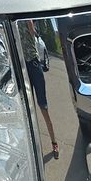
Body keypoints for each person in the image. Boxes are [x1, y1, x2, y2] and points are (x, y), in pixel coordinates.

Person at [18, 21, 60, 158]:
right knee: (28, 108)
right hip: (22, 67)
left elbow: (32, 30)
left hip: (33, 64)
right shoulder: (13, 24)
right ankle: (31, 146)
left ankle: (54, 142)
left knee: (42, 106)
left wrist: (32, 26)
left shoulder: (26, 21)